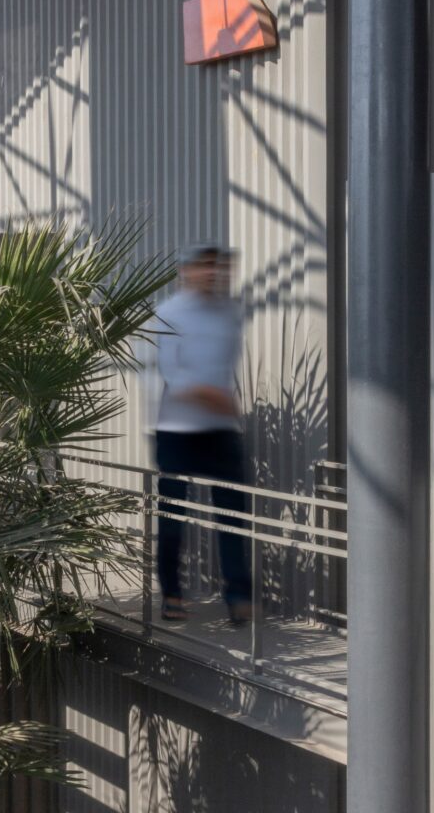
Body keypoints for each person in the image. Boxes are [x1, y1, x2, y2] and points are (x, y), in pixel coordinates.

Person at [151, 244, 252, 626]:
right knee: (173, 516)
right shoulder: (168, 313)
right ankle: (172, 593)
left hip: (221, 430)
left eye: (219, 267)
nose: (213, 274)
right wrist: (219, 399)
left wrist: (225, 408)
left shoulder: (230, 313)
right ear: (187, 272)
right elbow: (174, 377)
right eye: (205, 267)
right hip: (177, 429)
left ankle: (239, 596)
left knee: (232, 514)